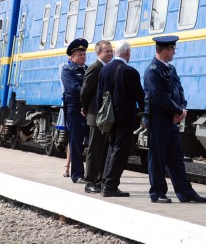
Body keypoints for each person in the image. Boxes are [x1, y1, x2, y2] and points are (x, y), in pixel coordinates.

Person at [143, 35, 206, 203]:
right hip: (158, 119)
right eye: (173, 49)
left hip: (172, 119)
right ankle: (157, 193)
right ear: (165, 51)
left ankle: (185, 192)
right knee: (157, 158)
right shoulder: (152, 71)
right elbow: (159, 97)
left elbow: (179, 90)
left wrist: (181, 109)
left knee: (176, 158)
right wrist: (178, 110)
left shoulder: (170, 69)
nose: (174, 52)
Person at [96, 40, 145, 197]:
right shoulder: (130, 72)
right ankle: (110, 185)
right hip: (124, 118)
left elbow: (99, 96)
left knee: (111, 148)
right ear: (127, 53)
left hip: (109, 117)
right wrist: (145, 114)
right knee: (120, 151)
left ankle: (105, 183)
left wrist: (101, 114)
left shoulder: (104, 70)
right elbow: (140, 96)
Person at [80, 40, 113, 193]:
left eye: (111, 51)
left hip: (104, 116)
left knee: (104, 150)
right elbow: (85, 92)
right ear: (99, 53)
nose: (110, 53)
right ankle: (90, 181)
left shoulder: (108, 68)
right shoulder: (95, 68)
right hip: (95, 115)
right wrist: (85, 109)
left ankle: (99, 180)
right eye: (107, 51)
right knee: (94, 149)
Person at [61, 38, 89, 184]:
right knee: (76, 142)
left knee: (92, 142)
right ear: (72, 57)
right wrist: (89, 92)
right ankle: (77, 174)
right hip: (75, 110)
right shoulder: (68, 70)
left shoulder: (88, 69)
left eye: (84, 54)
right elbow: (73, 89)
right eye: (79, 54)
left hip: (89, 109)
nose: (83, 57)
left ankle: (92, 173)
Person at [57, 62, 70, 177]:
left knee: (73, 139)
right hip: (69, 105)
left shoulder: (85, 68)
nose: (83, 56)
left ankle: (69, 167)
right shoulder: (64, 67)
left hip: (81, 106)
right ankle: (67, 166)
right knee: (71, 138)